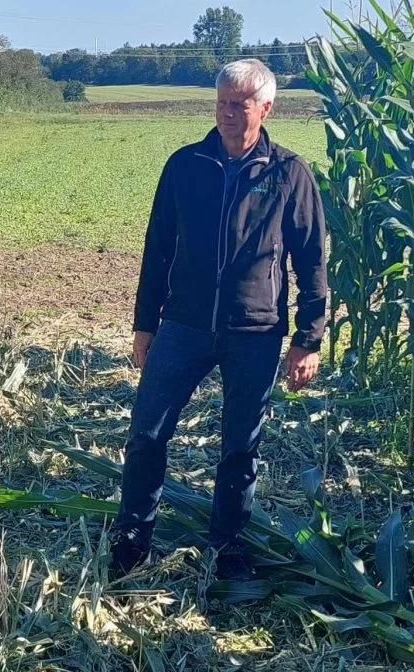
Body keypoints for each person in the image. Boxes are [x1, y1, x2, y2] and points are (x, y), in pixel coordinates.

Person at [111, 59, 327, 580]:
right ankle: (133, 535)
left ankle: (227, 544)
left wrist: (308, 338)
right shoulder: (185, 165)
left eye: (240, 104)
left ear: (266, 108)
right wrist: (145, 324)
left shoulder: (287, 173)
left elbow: (311, 259)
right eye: (222, 103)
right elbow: (157, 248)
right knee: (146, 432)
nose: (228, 113)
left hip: (254, 331)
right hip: (182, 326)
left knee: (240, 447)